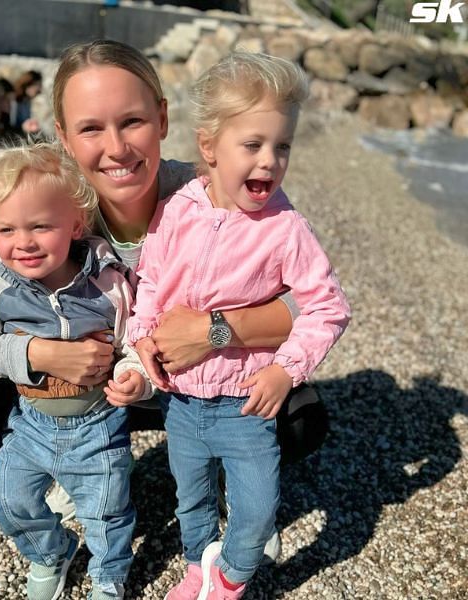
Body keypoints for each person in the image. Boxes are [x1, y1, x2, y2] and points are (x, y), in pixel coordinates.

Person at [0, 41, 330, 548]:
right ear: (62, 137)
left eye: (132, 122)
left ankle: (232, 477)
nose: (117, 147)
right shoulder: (46, 211)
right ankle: (72, 464)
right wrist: (42, 352)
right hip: (102, 381)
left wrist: (214, 331)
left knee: (301, 419)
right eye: (90, 128)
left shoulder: (217, 192)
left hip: (201, 378)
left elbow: (309, 300)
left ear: (163, 119)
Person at [128, 52, 350, 600]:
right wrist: (141, 339)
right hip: (180, 401)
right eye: (253, 146)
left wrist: (287, 370)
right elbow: (153, 282)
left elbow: (327, 307)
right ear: (210, 147)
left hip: (247, 403)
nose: (270, 162)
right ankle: (197, 568)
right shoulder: (178, 209)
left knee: (255, 508)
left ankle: (230, 576)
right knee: (191, 499)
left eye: (282, 148)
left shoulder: (285, 227)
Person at [0, 142, 152, 600]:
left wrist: (134, 373)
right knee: (9, 502)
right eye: (6, 228)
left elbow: (135, 336)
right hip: (30, 423)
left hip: (97, 424)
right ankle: (51, 552)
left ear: (75, 225)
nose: (23, 242)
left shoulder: (105, 283)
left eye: (40, 227)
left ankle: (109, 577)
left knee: (106, 512)